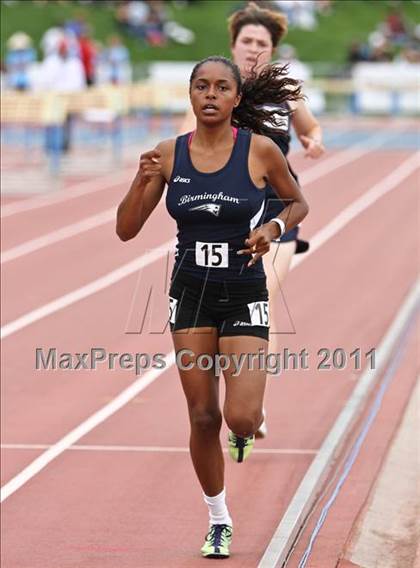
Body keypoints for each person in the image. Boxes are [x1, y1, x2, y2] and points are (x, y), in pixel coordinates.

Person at [116, 55, 308, 559]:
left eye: (222, 88)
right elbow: (126, 229)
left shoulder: (261, 151)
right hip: (192, 295)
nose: (210, 95)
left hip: (244, 292)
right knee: (203, 416)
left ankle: (249, 421)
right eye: (201, 86)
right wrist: (141, 179)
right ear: (190, 93)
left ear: (236, 99)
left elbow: (297, 202)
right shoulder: (169, 155)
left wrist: (271, 229)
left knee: (239, 418)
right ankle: (219, 518)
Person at [179, 2, 325, 438]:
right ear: (233, 44)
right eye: (248, 41)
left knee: (262, 295)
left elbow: (311, 129)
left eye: (263, 43)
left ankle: (253, 407)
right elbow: (186, 134)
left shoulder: (285, 91)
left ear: (273, 48)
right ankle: (236, 381)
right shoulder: (217, 88)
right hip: (228, 211)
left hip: (279, 209)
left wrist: (314, 142)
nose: (254, 49)